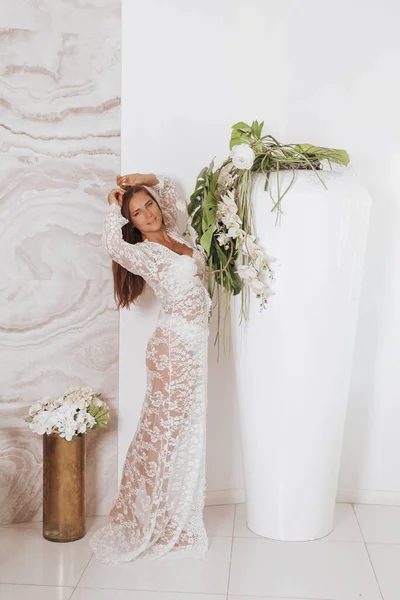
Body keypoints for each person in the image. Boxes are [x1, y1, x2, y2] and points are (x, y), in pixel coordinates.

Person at [89, 173, 212, 563]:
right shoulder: (142, 252)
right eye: (137, 214)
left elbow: (171, 192)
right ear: (133, 223)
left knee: (180, 432)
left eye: (149, 205)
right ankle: (144, 516)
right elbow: (111, 242)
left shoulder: (175, 233)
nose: (147, 215)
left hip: (192, 346)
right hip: (172, 348)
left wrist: (148, 180)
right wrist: (114, 205)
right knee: (161, 436)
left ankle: (169, 512)